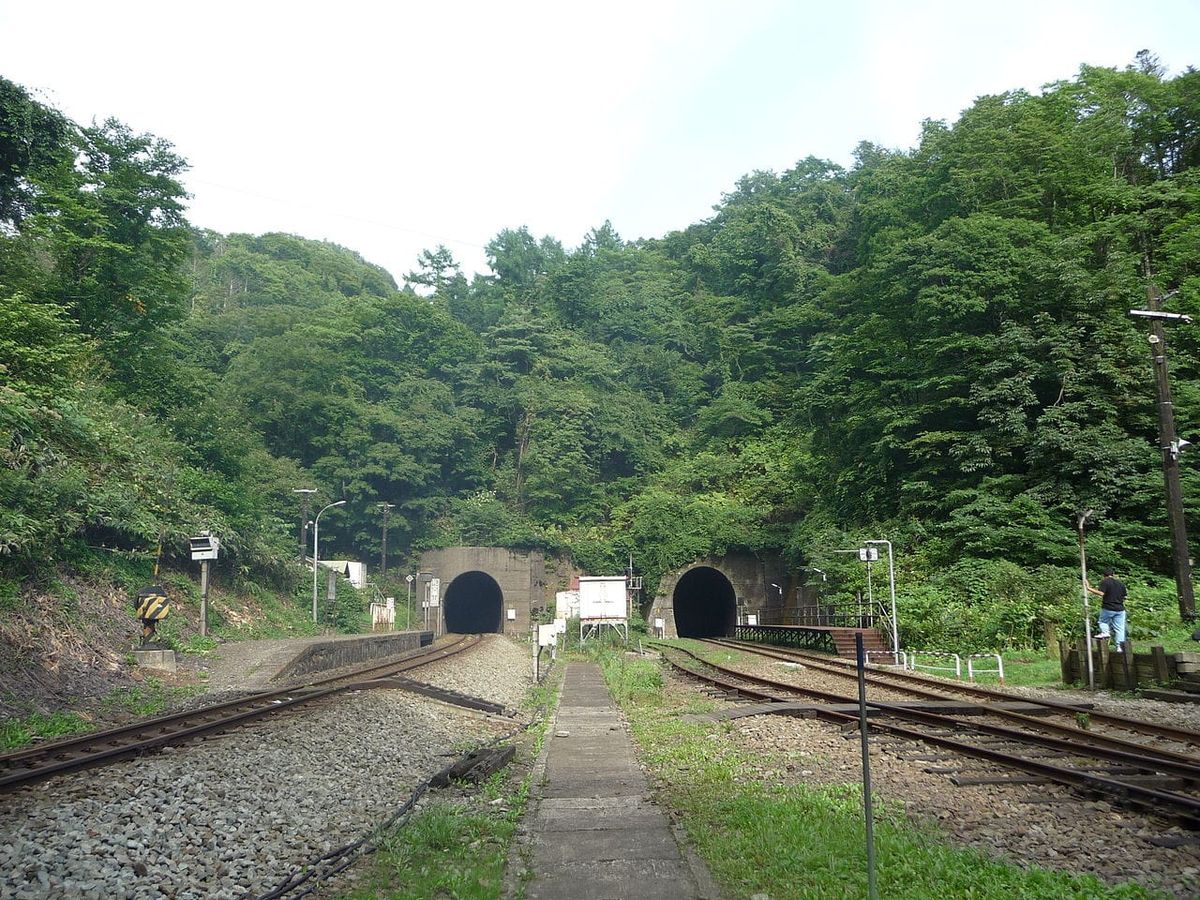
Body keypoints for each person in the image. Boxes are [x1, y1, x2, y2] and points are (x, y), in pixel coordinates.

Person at [1086, 567, 1128, 650]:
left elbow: (1101, 593)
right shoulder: (1120, 583)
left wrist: (1089, 588)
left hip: (1108, 607)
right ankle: (1120, 647)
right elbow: (1125, 597)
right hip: (1120, 609)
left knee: (1103, 621)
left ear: (1104, 575)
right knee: (1120, 629)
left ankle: (1105, 632)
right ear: (1113, 574)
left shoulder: (1105, 582)